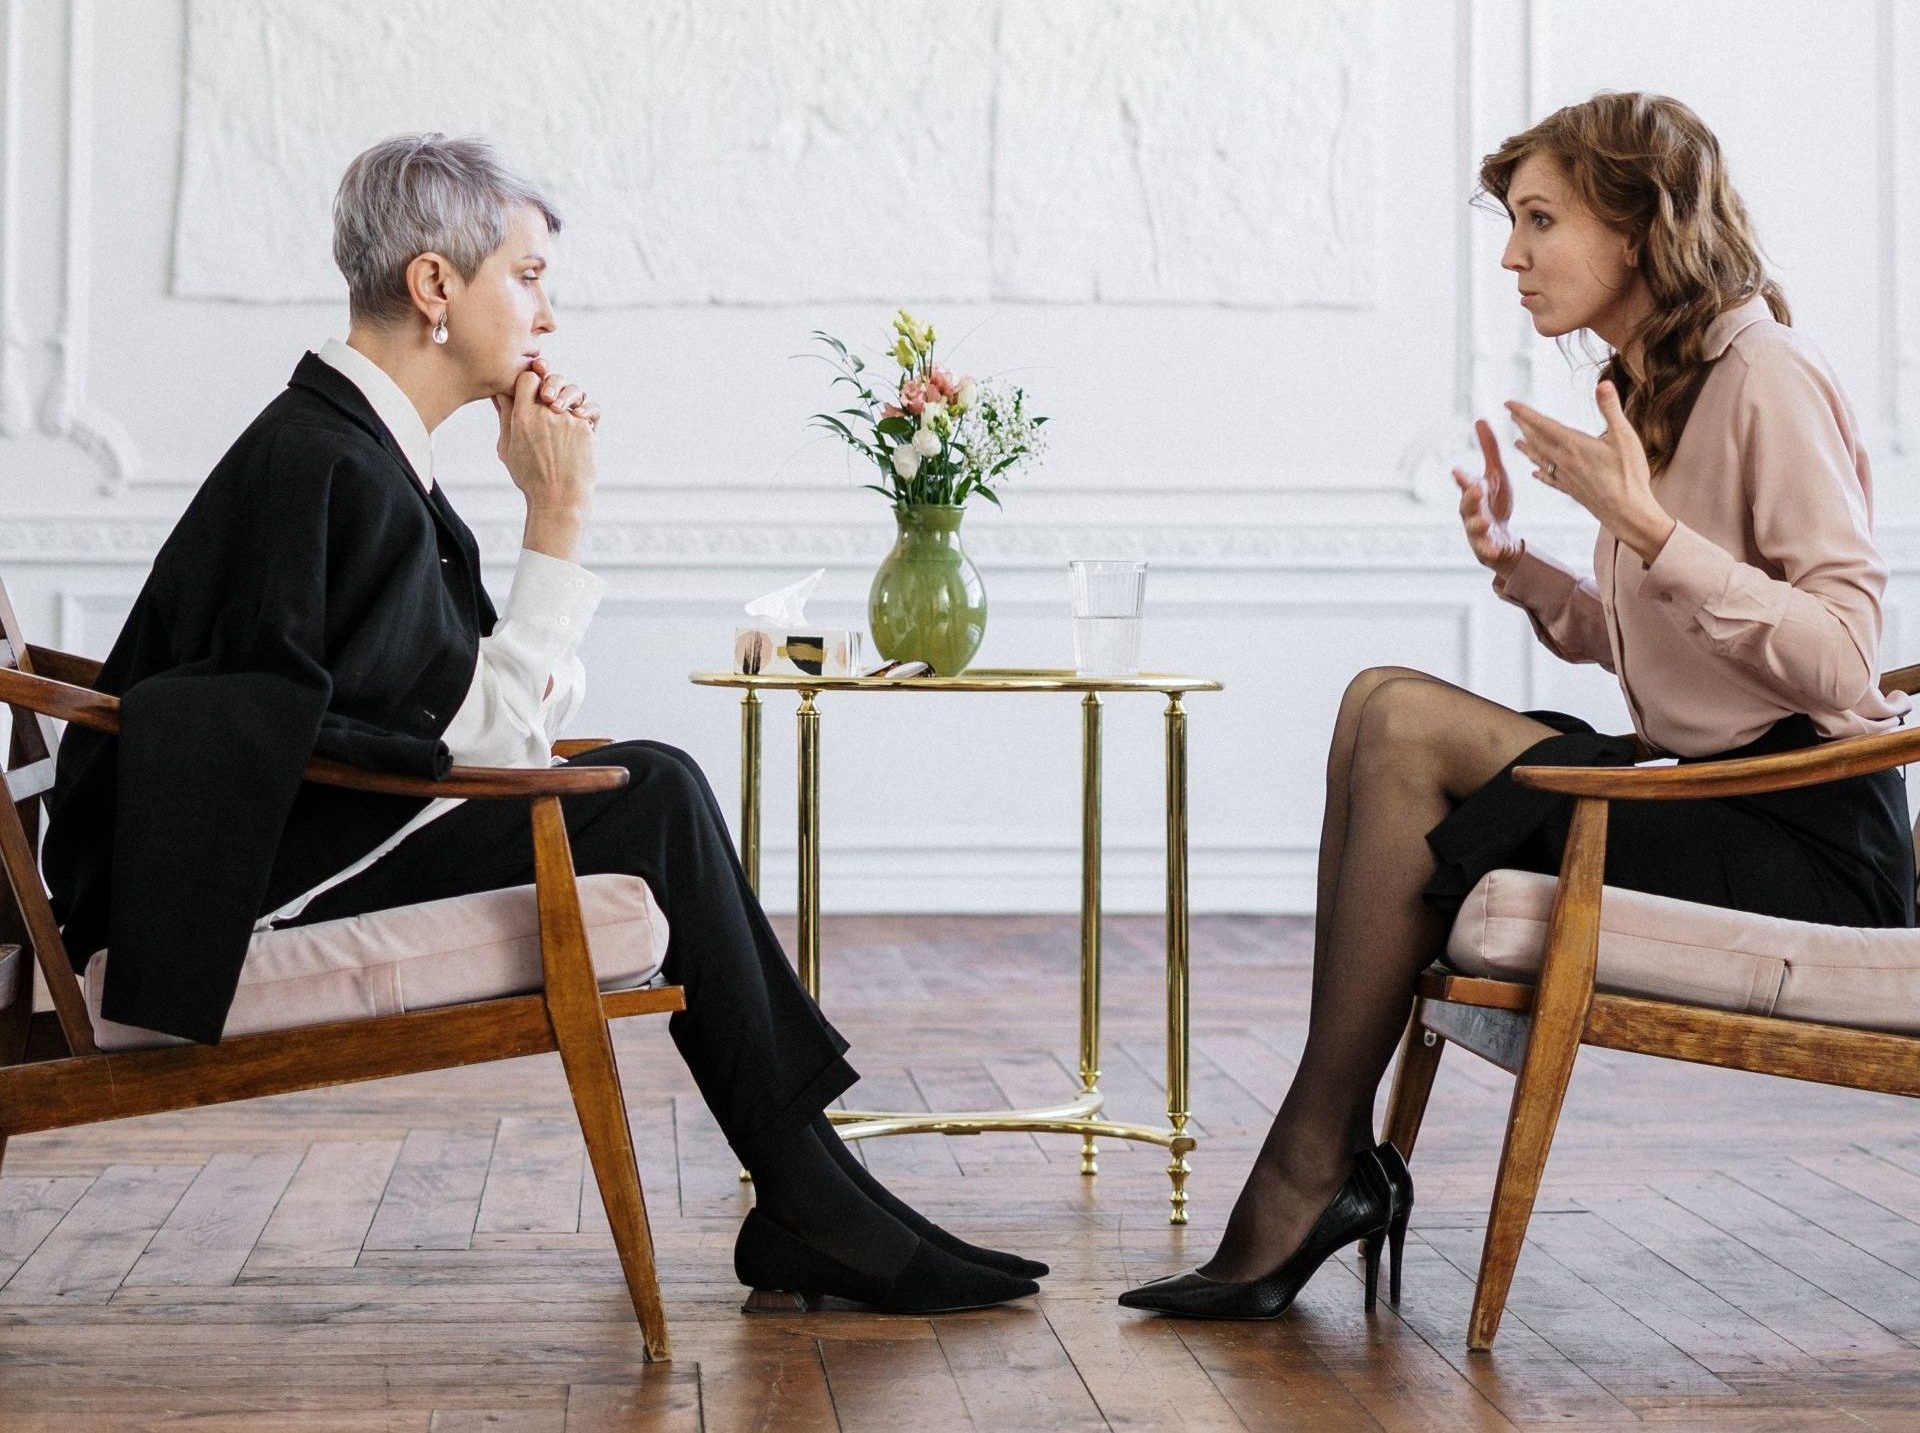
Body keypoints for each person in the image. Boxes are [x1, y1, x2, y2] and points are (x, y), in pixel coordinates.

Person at [42, 133, 1044, 1315]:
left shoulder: (348, 446)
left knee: (646, 779)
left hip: (273, 832)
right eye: (527, 275)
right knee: (654, 787)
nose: (548, 315)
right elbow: (485, 744)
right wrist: (558, 514)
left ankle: (813, 1188)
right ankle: (812, 1194)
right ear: (434, 287)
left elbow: (463, 711)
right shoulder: (337, 463)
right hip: (239, 883)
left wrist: (535, 528)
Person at [1120, 91, 1914, 1320]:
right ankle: (1318, 1157)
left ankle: (1312, 1164)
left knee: (1400, 721)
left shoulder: (1768, 374)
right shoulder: (1654, 380)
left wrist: (1645, 522)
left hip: (1803, 835)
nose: (1512, 253)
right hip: (1705, 791)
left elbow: (1847, 657)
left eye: (1540, 219)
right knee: (1381, 695)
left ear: (1641, 227)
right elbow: (1677, 654)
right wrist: (1523, 568)